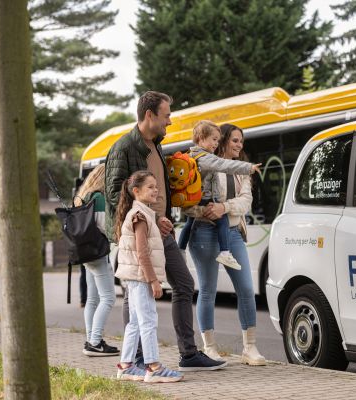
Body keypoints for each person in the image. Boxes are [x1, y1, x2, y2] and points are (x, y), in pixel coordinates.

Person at [104, 91, 225, 371]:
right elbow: (114, 194)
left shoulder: (157, 145)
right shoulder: (124, 148)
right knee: (136, 293)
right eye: (166, 115)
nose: (170, 121)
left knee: (184, 284)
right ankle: (134, 359)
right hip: (139, 233)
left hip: (162, 229)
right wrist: (150, 217)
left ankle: (189, 354)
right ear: (150, 115)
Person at [185, 123, 267, 366]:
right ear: (221, 142)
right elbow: (189, 203)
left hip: (232, 232)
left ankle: (250, 348)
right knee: (208, 289)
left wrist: (224, 207)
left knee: (246, 289)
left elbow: (245, 203)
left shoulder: (241, 171)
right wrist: (204, 210)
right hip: (203, 232)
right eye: (234, 140)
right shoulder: (206, 164)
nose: (239, 145)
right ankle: (209, 348)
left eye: (241, 141)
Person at [114, 171, 183, 383]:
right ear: (136, 191)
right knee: (148, 320)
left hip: (136, 277)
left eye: (156, 186)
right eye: (150, 187)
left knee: (135, 322)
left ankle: (126, 366)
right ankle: (153, 367)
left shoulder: (143, 214)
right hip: (141, 277)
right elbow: (142, 253)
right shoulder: (140, 216)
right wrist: (153, 280)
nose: (156, 190)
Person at [177, 120, 260, 270]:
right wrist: (249, 167)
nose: (216, 143)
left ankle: (180, 250)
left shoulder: (191, 155)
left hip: (194, 198)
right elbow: (224, 165)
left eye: (217, 140)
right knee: (222, 220)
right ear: (201, 139)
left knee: (188, 223)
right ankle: (224, 252)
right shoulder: (207, 157)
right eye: (214, 139)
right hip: (204, 200)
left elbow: (246, 200)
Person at [73, 163, 119, 356]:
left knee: (92, 299)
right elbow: (103, 227)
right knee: (108, 298)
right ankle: (95, 342)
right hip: (98, 253)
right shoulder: (99, 198)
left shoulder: (82, 197)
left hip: (86, 253)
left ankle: (92, 339)